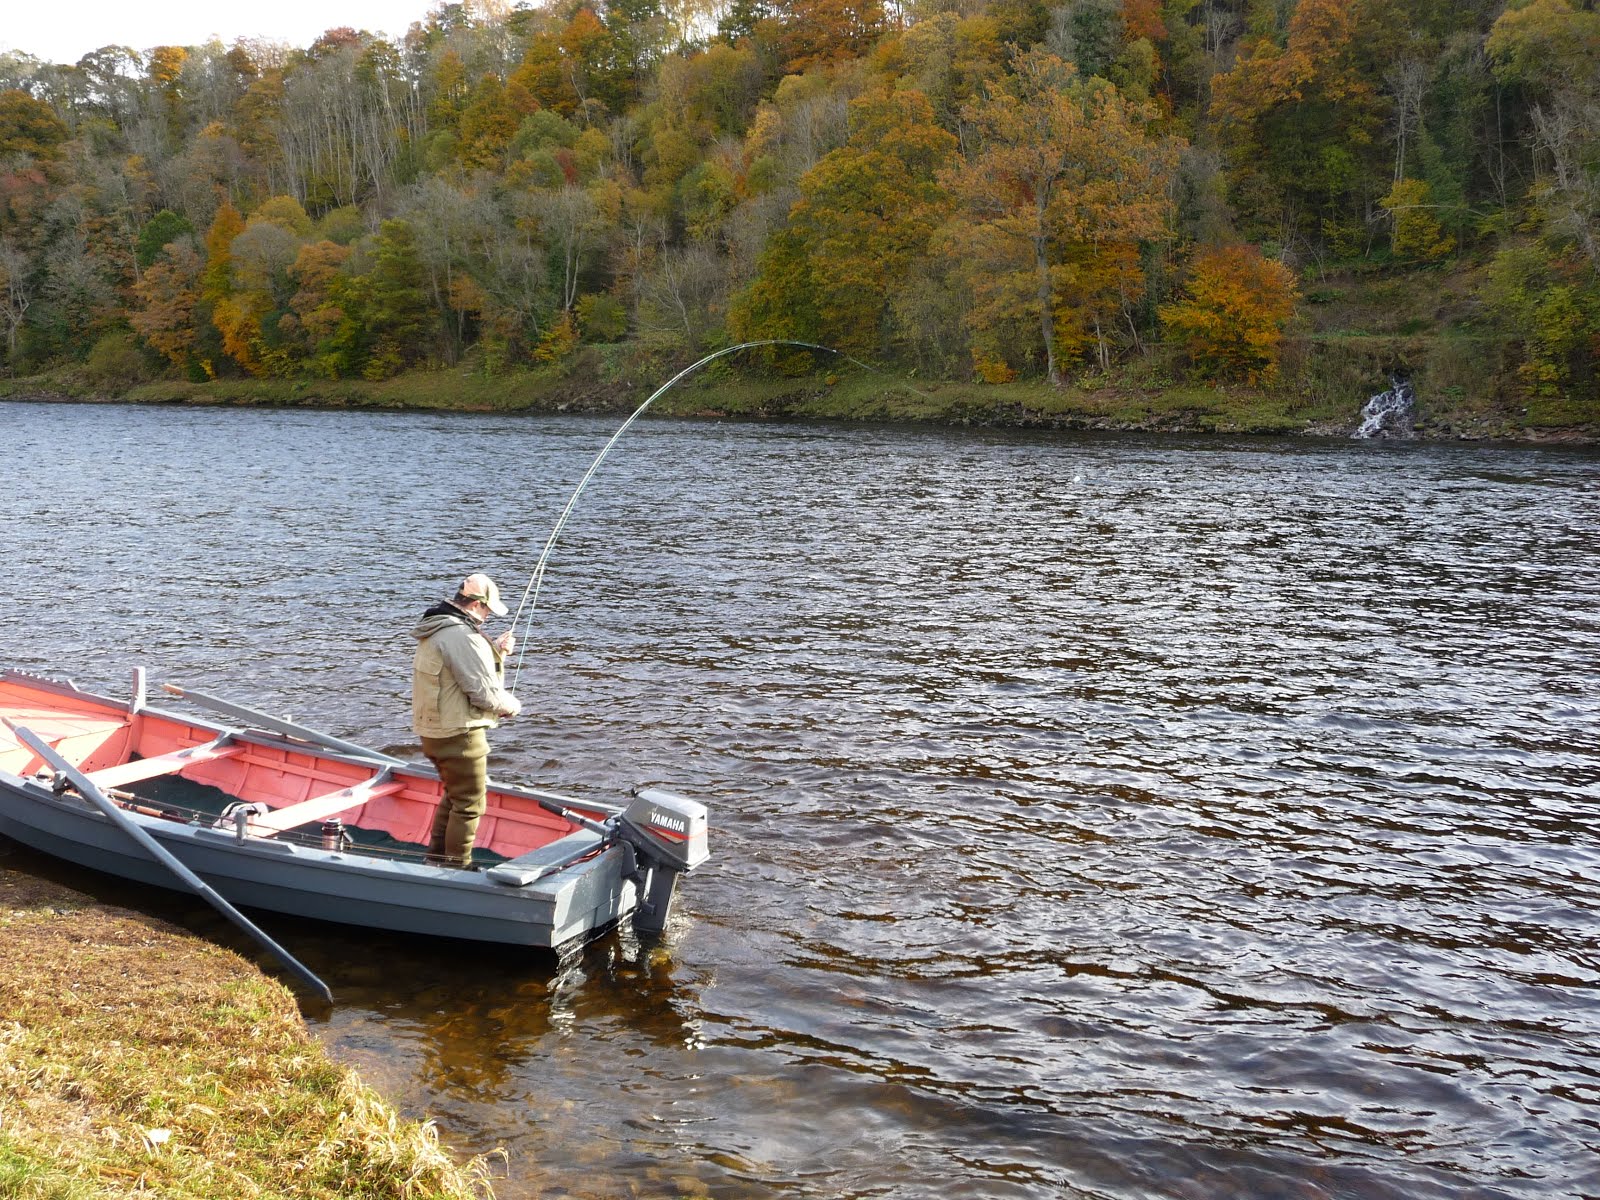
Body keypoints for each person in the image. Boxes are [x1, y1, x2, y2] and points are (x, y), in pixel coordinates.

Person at [411, 572, 522, 868]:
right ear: (475, 604)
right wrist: (512, 706)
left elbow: (460, 672)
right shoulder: (463, 636)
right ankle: (457, 867)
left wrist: (497, 651)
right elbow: (485, 694)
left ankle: (435, 861)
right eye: (487, 610)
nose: (487, 616)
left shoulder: (439, 627)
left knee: (455, 795)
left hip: (435, 732)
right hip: (459, 735)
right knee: (471, 803)